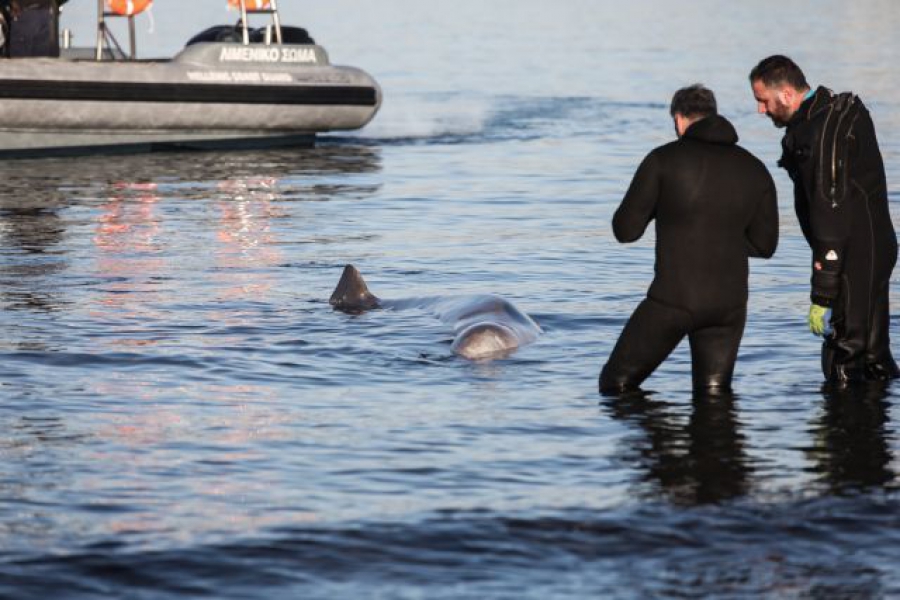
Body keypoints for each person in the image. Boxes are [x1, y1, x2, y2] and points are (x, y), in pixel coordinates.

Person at [599, 84, 779, 394]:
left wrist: (667, 210)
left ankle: (663, 441)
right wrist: (721, 239)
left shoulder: (662, 160)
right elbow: (765, 246)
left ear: (679, 119)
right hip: (730, 306)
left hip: (674, 300)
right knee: (713, 397)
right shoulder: (755, 168)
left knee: (615, 385)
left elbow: (625, 231)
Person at [749, 55, 900, 384]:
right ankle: (876, 430)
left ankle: (836, 431)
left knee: (843, 355)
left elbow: (830, 209)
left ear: (787, 94)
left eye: (763, 101)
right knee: (874, 357)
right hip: (875, 247)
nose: (761, 110)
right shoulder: (836, 111)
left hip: (850, 253)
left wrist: (823, 293)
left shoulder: (818, 133)